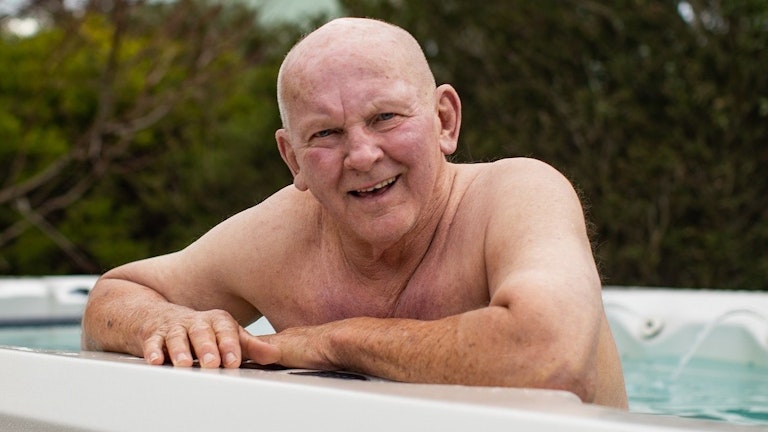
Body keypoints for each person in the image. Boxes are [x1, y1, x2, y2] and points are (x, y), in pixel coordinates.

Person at [81, 17, 628, 408]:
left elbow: (552, 361)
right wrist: (168, 322)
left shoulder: (517, 195)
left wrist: (330, 341)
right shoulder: (280, 236)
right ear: (292, 159)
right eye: (326, 133)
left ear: (445, 120)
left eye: (387, 117)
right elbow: (114, 296)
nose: (363, 156)